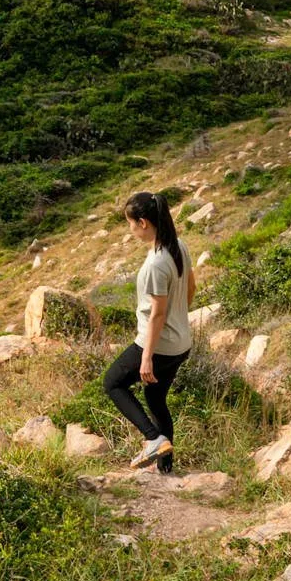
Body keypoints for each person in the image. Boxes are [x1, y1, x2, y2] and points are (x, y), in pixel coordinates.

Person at [103, 191, 195, 471]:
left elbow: (156, 314)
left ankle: (152, 439)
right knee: (156, 399)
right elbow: (191, 288)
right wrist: (178, 317)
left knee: (113, 383)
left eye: (130, 224)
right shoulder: (178, 246)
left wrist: (146, 357)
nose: (129, 230)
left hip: (157, 345)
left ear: (143, 222)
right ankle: (166, 468)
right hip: (181, 343)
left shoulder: (156, 263)